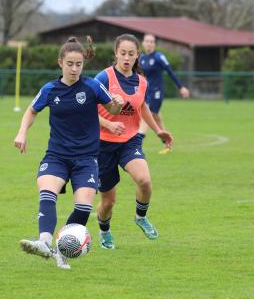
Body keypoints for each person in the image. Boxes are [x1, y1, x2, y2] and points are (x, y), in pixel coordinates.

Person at [14, 36, 124, 269]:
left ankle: (62, 250)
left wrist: (118, 102)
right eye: (70, 64)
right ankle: (44, 242)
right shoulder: (50, 89)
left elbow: (112, 108)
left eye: (79, 64)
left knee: (84, 206)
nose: (74, 69)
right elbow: (31, 111)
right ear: (60, 63)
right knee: (47, 191)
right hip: (57, 156)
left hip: (86, 158)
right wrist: (22, 132)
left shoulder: (92, 86)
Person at [95, 34, 173, 250]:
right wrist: (109, 125)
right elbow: (86, 110)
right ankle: (104, 230)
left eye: (131, 54)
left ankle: (140, 217)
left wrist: (158, 131)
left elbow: (143, 108)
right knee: (108, 202)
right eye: (123, 53)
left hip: (129, 141)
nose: (127, 58)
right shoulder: (104, 78)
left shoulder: (142, 82)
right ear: (115, 54)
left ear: (137, 55)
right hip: (103, 145)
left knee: (145, 181)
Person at [138, 33, 190, 153]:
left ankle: (137, 145)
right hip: (146, 92)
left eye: (151, 41)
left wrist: (181, 87)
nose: (149, 43)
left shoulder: (159, 56)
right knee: (156, 117)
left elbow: (170, 72)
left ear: (154, 44)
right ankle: (167, 142)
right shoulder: (142, 58)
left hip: (157, 92)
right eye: (147, 41)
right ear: (143, 43)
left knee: (147, 115)